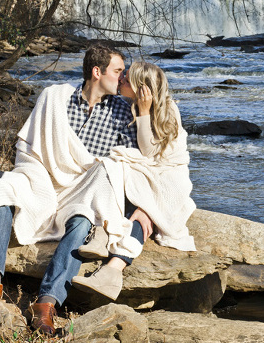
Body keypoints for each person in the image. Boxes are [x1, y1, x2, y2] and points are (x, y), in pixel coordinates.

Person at [0, 46, 152, 336]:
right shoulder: (55, 97)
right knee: (3, 185)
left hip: (85, 190)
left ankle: (46, 303)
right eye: (119, 71)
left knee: (82, 220)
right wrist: (36, 177)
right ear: (97, 72)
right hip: (44, 180)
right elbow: (30, 150)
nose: (123, 78)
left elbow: (138, 160)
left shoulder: (123, 111)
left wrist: (144, 206)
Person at [70, 61, 196, 299]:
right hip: (148, 171)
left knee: (145, 211)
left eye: (126, 79)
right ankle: (104, 243)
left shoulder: (167, 108)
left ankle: (113, 271)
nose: (121, 81)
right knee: (116, 176)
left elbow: (150, 152)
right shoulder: (129, 104)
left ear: (142, 88)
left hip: (170, 179)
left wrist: (146, 112)